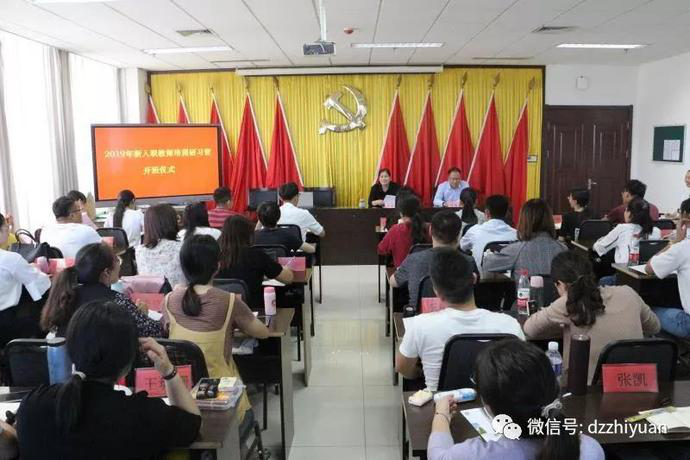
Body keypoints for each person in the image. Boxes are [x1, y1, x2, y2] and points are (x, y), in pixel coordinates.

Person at [17, 301, 201, 459]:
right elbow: (193, 424)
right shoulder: (144, 415)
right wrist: (169, 371)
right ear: (127, 362)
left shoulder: (32, 406)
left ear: (71, 350)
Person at [429, 340, 604, 460]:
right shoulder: (590, 449)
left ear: (488, 407)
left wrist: (441, 415)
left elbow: (437, 456)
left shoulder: (475, 454)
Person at [164, 235, 270, 425]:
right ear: (218, 266)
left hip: (180, 398)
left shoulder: (169, 300)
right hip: (221, 399)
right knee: (247, 417)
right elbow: (263, 333)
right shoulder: (228, 301)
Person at [396, 247, 524, 391]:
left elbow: (402, 367)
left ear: (435, 290)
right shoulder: (509, 325)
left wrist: (420, 374)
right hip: (495, 401)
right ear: (474, 279)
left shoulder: (420, 325)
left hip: (441, 402)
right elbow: (521, 370)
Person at [524, 251, 660, 383]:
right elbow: (654, 327)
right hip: (636, 384)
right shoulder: (628, 293)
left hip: (585, 390)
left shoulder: (567, 303)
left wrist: (562, 326)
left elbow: (529, 330)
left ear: (559, 283)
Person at [41, 242, 163, 338]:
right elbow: (156, 332)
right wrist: (143, 315)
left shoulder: (67, 297)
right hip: (107, 360)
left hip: (69, 360)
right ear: (106, 272)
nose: (119, 265)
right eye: (117, 260)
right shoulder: (118, 301)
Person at [390, 210, 471, 307]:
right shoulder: (469, 261)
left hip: (419, 314)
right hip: (458, 314)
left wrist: (404, 270)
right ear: (459, 234)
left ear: (430, 230)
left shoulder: (414, 259)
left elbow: (393, 282)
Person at [218, 215, 293, 308]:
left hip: (218, 310)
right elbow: (288, 279)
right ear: (248, 236)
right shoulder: (256, 255)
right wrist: (286, 268)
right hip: (253, 310)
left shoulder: (213, 256)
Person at [483, 199, 567, 280]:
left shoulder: (516, 250)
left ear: (523, 220)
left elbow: (487, 265)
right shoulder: (563, 249)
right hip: (557, 290)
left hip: (524, 289)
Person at [0, 212, 51, 346]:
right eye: (6, 227)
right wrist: (38, 272)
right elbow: (41, 284)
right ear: (2, 230)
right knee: (43, 305)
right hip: (6, 326)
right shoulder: (10, 259)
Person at [646, 198, 690, 337]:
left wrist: (676, 241)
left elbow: (649, 268)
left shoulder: (683, 247)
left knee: (646, 310)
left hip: (688, 323)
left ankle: (667, 350)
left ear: (685, 218)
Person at [594, 197, 661, 266]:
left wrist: (599, 241)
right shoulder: (656, 231)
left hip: (625, 271)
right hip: (647, 270)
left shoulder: (622, 228)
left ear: (630, 213)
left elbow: (599, 247)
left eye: (626, 210)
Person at [460, 194, 517, 271]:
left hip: (481, 277)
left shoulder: (474, 231)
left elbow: (462, 248)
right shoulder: (516, 235)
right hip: (509, 278)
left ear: (486, 212)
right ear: (507, 213)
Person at [135, 203, 185, 287]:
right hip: (178, 294)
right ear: (171, 222)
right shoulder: (182, 248)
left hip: (150, 295)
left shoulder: (139, 250)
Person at [377, 194, 428, 268]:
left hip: (403, 272)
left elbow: (381, 249)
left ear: (401, 213)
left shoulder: (395, 229)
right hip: (426, 272)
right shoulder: (430, 228)